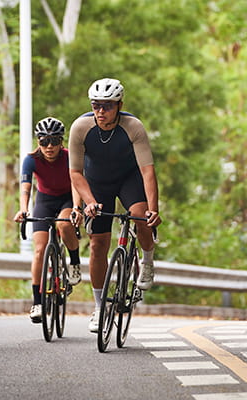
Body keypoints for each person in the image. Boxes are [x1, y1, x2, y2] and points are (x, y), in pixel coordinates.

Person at [69, 78, 162, 333]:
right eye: (96, 105)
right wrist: (88, 202)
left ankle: (148, 260)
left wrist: (153, 210)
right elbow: (75, 173)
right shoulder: (80, 127)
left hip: (128, 179)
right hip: (96, 184)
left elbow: (147, 172)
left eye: (107, 106)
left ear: (119, 105)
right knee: (98, 244)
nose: (101, 111)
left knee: (140, 217)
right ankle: (99, 307)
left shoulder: (133, 127)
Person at [14, 117, 83, 324]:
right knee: (39, 250)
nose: (49, 146)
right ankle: (37, 302)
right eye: (44, 141)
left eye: (54, 141)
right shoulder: (31, 159)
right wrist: (24, 210)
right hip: (44, 200)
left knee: (63, 224)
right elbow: (26, 188)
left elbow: (75, 183)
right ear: (38, 142)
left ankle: (74, 262)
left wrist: (77, 208)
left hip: (67, 198)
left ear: (61, 141)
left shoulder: (70, 157)